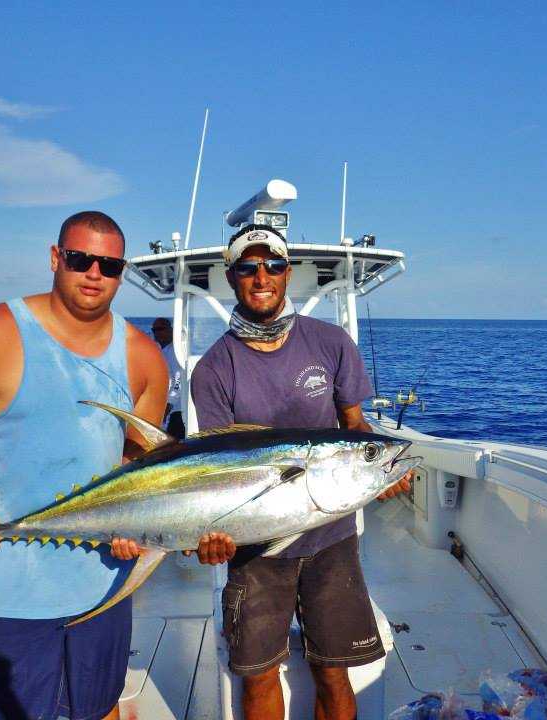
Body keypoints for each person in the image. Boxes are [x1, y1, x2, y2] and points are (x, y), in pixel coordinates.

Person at [0, 211, 167, 720]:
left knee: (101, 706)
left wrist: (142, 528)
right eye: (80, 259)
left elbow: (138, 464)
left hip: (104, 585)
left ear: (122, 272)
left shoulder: (142, 357)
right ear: (55, 258)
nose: (93, 274)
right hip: (7, 585)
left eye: (108, 266)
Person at [189, 224, 411, 720]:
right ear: (232, 277)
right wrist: (208, 534)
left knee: (334, 669)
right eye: (247, 267)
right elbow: (220, 468)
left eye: (271, 265)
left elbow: (356, 430)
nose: (261, 276)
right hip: (255, 547)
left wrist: (382, 470)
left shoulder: (331, 343)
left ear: (287, 273)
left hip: (329, 538)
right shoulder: (214, 368)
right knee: (260, 673)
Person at [151, 316, 185, 438]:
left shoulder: (174, 351)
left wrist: (169, 405)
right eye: (154, 330)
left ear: (170, 330)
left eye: (161, 329)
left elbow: (179, 380)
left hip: (176, 411)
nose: (157, 332)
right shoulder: (164, 350)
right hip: (169, 409)